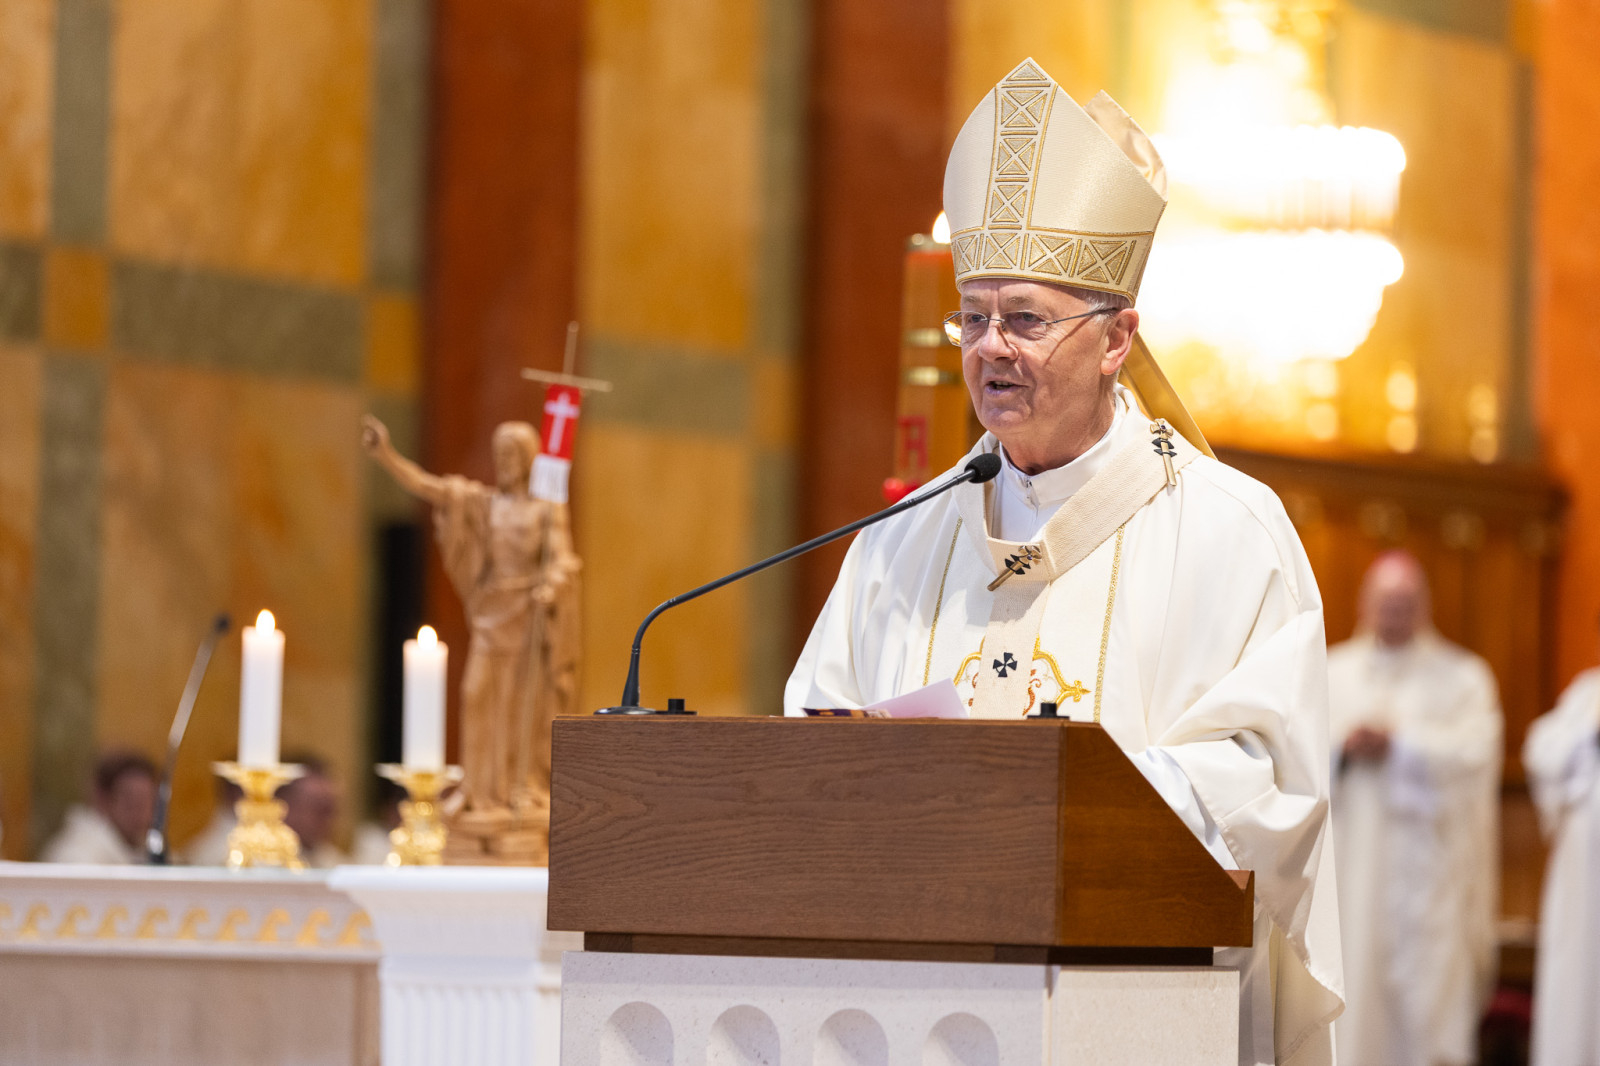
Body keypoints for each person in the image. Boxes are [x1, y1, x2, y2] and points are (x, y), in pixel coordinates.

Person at [786, 59, 1342, 1066]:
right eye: (973, 316)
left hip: (1136, 1021)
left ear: (1117, 338)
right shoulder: (900, 541)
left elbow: (1266, 781)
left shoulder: (1230, 533)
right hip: (920, 1018)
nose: (990, 348)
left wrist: (1055, 813)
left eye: (1026, 319)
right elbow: (813, 748)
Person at [362, 415, 580, 848]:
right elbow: (429, 487)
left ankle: (516, 791)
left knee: (517, 705)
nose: (504, 463)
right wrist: (386, 454)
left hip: (528, 616)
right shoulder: (483, 503)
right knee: (477, 694)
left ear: (528, 459)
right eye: (499, 455)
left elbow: (564, 560)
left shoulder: (547, 509)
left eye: (511, 455)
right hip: (492, 613)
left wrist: (552, 585)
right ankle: (480, 791)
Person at [1327, 552, 1502, 1066]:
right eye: (1386, 602)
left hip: (1430, 881)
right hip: (1353, 876)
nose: (1394, 613)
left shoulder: (1463, 677)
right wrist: (1342, 749)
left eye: (1405, 603)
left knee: (1427, 1005)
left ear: (1425, 606)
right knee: (1355, 999)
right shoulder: (1331, 673)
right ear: (1364, 603)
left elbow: (1476, 754)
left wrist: (1401, 748)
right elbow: (1296, 756)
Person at [1523, 625, 1600, 1066]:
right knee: (1578, 968)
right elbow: (1542, 753)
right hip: (1583, 865)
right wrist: (1590, 733)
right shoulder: (1585, 694)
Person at [39, 751, 158, 864]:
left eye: (148, 801)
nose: (143, 814)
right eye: (132, 802)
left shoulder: (143, 849)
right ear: (103, 799)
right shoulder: (76, 856)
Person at [280, 758, 347, 869]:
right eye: (319, 806)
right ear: (285, 805)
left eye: (331, 808)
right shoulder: (262, 860)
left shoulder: (334, 862)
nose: (329, 817)